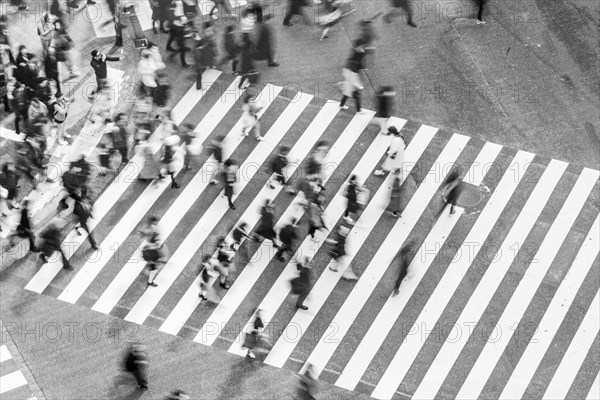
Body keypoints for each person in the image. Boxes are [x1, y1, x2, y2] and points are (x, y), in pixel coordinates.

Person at [339, 39, 367, 113]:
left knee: (347, 93)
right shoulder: (356, 55)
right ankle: (359, 110)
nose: (362, 47)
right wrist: (360, 86)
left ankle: (342, 104)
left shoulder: (358, 52)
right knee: (355, 95)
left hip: (350, 74)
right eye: (361, 46)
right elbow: (353, 80)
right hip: (351, 75)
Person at [193, 22, 217, 89]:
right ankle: (198, 84)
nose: (210, 32)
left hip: (208, 55)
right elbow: (198, 48)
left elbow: (212, 45)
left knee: (208, 63)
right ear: (204, 31)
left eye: (211, 30)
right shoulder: (202, 39)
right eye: (208, 31)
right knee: (199, 71)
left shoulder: (209, 38)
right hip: (201, 57)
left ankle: (208, 67)